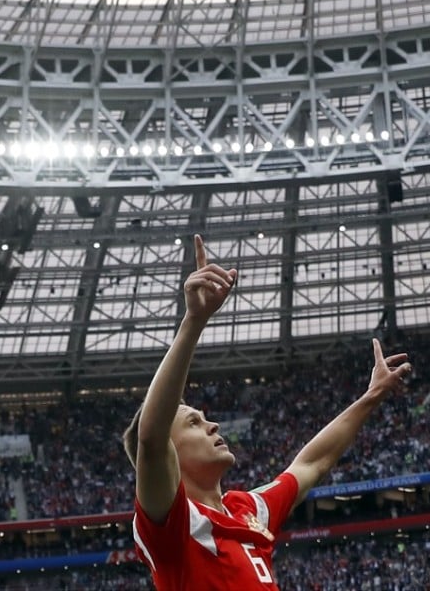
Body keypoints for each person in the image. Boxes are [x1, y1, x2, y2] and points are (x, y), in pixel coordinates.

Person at [121, 233, 413, 590]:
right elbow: (151, 438)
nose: (212, 424)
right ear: (170, 455)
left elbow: (311, 464)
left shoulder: (248, 509)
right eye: (194, 422)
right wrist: (193, 322)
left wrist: (372, 396)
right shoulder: (171, 523)